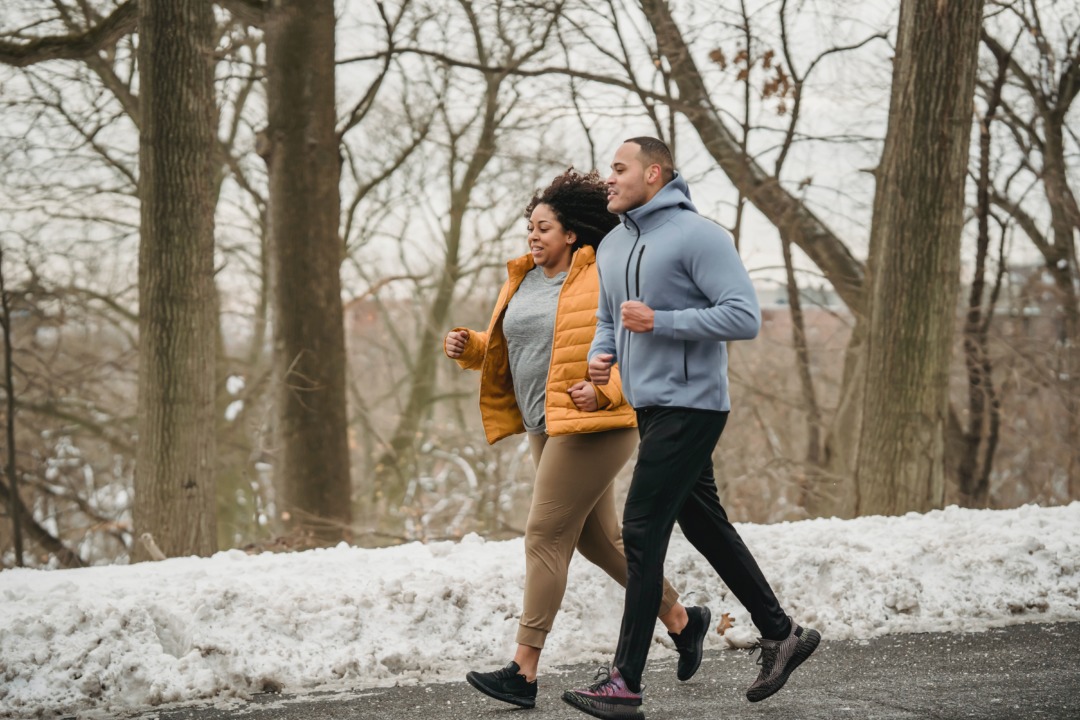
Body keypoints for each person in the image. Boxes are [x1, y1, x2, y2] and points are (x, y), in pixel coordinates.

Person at [561, 138, 821, 720]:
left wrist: (662, 322)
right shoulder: (615, 243)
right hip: (648, 404)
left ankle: (625, 682)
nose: (610, 178)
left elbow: (743, 315)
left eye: (620, 169)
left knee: (642, 527)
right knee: (704, 524)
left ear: (654, 174)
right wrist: (602, 359)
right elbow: (609, 318)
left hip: (694, 403)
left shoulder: (699, 235)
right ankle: (781, 634)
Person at [444, 168, 711, 710]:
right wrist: (470, 346)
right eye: (530, 229)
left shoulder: (598, 276)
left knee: (544, 535)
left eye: (544, 228)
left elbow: (630, 346)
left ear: (571, 233)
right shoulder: (521, 278)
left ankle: (523, 670)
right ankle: (682, 619)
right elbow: (515, 344)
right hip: (548, 425)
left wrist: (608, 393)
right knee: (597, 542)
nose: (533, 237)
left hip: (598, 423)